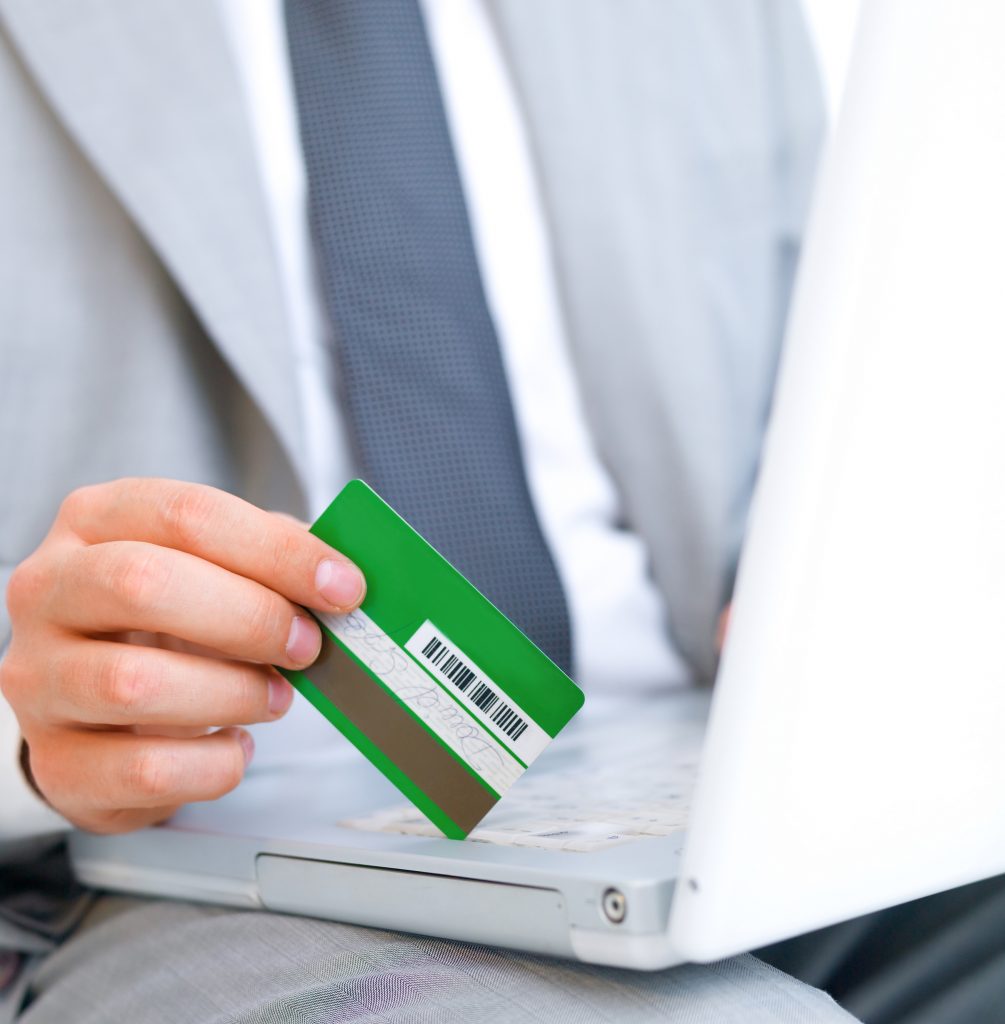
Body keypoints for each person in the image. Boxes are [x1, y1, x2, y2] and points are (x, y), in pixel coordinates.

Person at [0, 2, 982, 1022]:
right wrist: (24, 740)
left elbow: (818, 406)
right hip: (177, 854)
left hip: (698, 764)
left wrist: (825, 593)